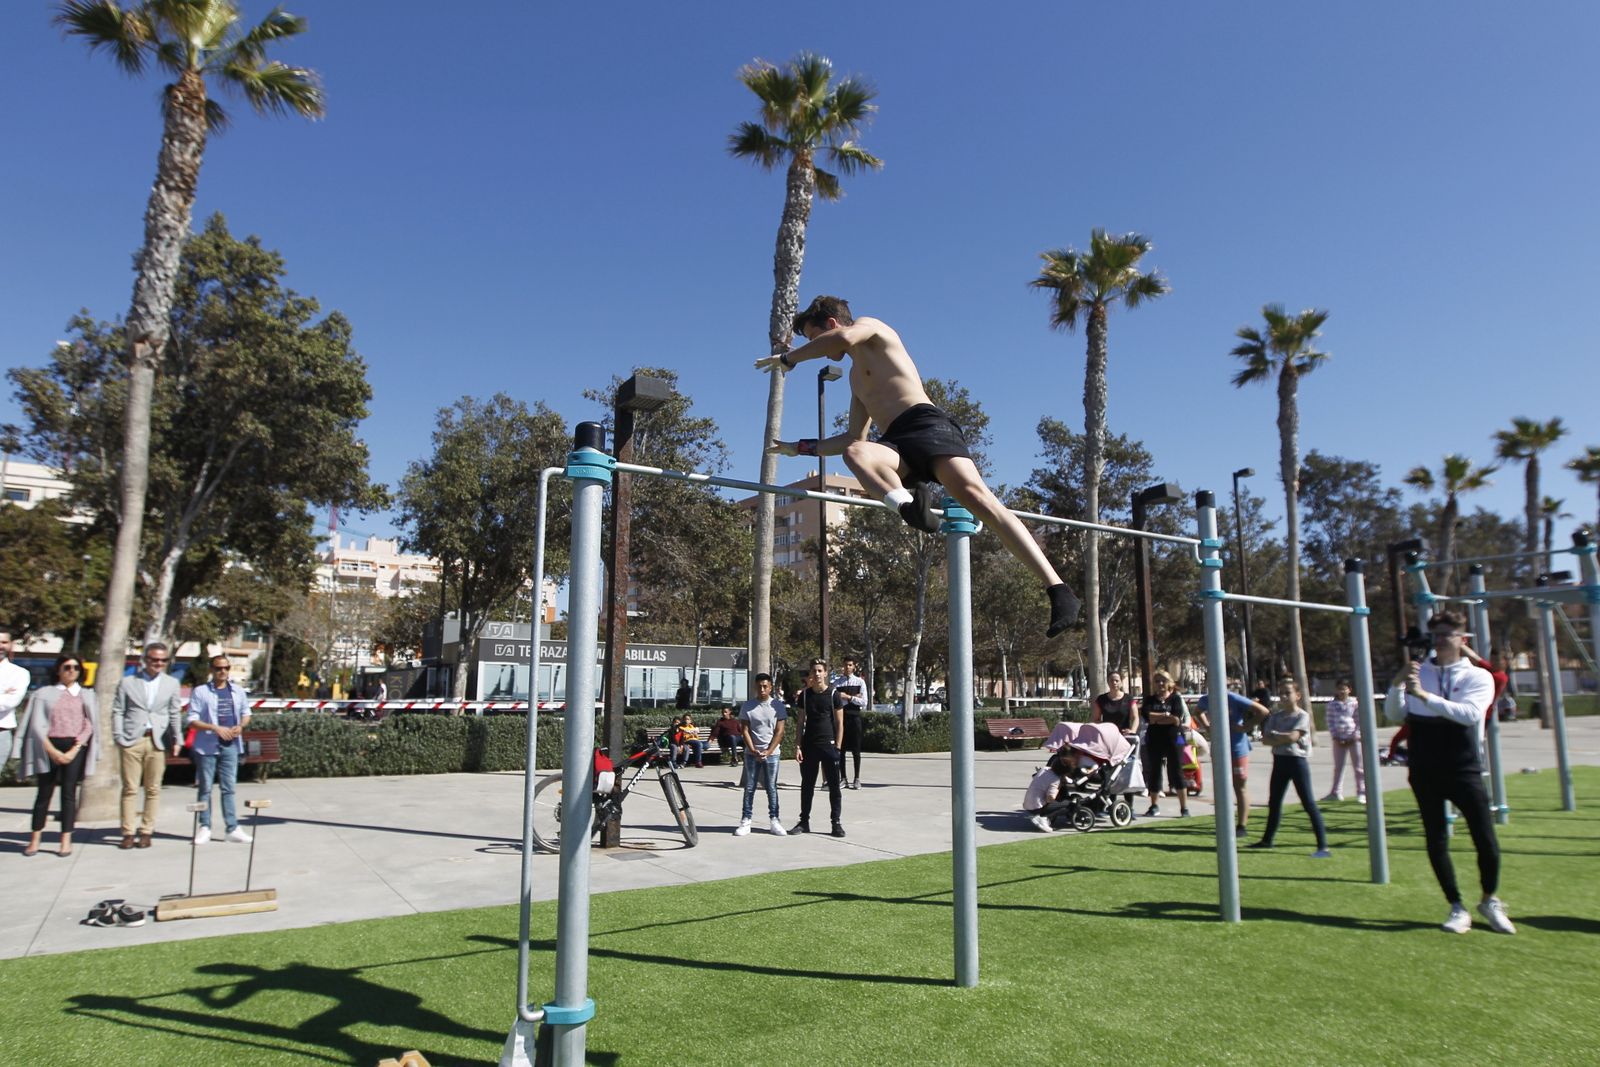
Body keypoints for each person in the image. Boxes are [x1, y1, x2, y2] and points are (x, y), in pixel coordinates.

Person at [760, 295, 1081, 638]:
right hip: (897, 444)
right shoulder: (855, 379)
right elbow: (853, 435)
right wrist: (800, 448)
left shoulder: (871, 328)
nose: (818, 348)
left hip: (928, 426)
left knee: (979, 499)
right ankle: (908, 505)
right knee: (856, 452)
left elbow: (842, 340)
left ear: (831, 323)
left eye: (814, 338)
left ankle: (1058, 589)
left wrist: (788, 358)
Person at [1385, 611, 1514, 934]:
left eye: (1447, 634)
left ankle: (1489, 899)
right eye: (1436, 634)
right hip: (1425, 766)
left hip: (1464, 766)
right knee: (1435, 838)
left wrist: (1426, 696)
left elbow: (1470, 715)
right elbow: (1396, 714)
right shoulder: (1419, 672)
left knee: (1486, 840)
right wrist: (1398, 685)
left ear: (1462, 639)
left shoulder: (1477, 676)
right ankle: (1456, 905)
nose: (1440, 640)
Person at [20, 654, 97, 857]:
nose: (71, 671)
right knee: (43, 794)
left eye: (75, 667)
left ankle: (66, 840)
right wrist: (51, 750)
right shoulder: (44, 693)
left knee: (69, 794)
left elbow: (89, 724)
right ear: (58, 670)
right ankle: (35, 839)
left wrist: (74, 749)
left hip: (75, 746)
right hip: (49, 745)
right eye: (67, 667)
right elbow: (37, 724)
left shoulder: (86, 695)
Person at [1247, 677, 1331, 857]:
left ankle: (1322, 846)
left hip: (1297, 762)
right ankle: (1267, 840)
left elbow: (1293, 737)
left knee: (1308, 803)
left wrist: (1277, 736)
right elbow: (1265, 740)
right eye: (1281, 693)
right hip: (1279, 761)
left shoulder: (1302, 716)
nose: (1284, 697)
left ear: (1298, 695)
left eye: (1288, 693)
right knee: (1274, 802)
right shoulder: (1275, 716)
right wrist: (1280, 737)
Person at [112, 642, 183, 849]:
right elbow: (118, 710)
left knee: (153, 789)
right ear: (145, 660)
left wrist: (177, 739)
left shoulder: (171, 683)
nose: (158, 663)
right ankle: (127, 832)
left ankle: (146, 831)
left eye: (163, 660)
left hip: (157, 740)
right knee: (130, 788)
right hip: (132, 739)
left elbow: (174, 713)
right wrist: (119, 736)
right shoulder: (127, 682)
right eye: (154, 659)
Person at [186, 656, 254, 844]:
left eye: (226, 668)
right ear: (211, 670)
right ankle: (204, 826)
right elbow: (192, 720)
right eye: (218, 668)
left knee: (229, 788)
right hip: (207, 746)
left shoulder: (238, 691)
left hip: (231, 745)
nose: (222, 671)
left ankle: (232, 827)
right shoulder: (201, 692)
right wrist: (214, 728)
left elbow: (246, 713)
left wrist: (241, 726)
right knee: (205, 788)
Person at [1193, 681, 1270, 835]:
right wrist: (1207, 726)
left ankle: (1241, 825)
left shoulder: (1233, 698)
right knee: (1221, 787)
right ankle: (1223, 822)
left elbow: (1262, 711)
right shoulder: (1206, 699)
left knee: (1239, 785)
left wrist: (1246, 727)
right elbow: (1198, 711)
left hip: (1237, 749)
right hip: (1219, 748)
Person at [792, 659, 846, 838]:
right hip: (809, 746)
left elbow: (839, 723)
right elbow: (800, 722)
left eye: (820, 670)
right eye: (814, 670)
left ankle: (836, 823)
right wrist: (798, 745)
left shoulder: (834, 695)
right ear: (810, 674)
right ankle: (804, 821)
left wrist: (837, 747)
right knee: (807, 785)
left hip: (829, 746)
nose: (817, 674)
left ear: (825, 673)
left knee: (834, 787)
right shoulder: (805, 696)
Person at [734, 673, 787, 836]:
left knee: (771, 787)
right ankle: (746, 820)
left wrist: (768, 751)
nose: (762, 689)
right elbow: (744, 730)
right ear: (755, 687)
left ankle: (775, 820)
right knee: (749, 787)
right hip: (752, 754)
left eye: (765, 686)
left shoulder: (778, 706)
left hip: (772, 754)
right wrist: (753, 749)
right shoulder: (747, 706)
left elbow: (780, 731)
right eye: (759, 686)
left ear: (770, 687)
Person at [1141, 670, 1189, 817]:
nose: (1160, 684)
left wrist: (1159, 718)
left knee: (1176, 772)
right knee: (1154, 771)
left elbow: (1177, 719)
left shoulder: (1175, 699)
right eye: (1157, 681)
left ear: (1169, 683)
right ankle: (1154, 805)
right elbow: (1148, 717)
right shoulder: (1149, 700)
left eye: (1163, 681)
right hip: (1155, 739)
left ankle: (1184, 808)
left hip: (1175, 739)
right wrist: (1165, 716)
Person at [1322, 679, 1365, 803]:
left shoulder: (1355, 703)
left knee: (1358, 767)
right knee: (1338, 767)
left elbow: (1358, 721)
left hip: (1353, 739)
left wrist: (1355, 736)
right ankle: (1336, 792)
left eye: (1344, 688)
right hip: (1339, 739)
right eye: (1339, 688)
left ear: (1349, 690)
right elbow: (1330, 721)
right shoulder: (1331, 705)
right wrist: (1335, 736)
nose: (1341, 691)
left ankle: (1362, 792)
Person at [832, 656, 868, 788]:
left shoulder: (860, 682)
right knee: (840, 749)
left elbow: (864, 702)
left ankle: (857, 778)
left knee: (856, 750)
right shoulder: (837, 683)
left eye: (850, 665)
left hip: (855, 718)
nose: (847, 667)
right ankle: (843, 778)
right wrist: (853, 698)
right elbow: (835, 699)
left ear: (854, 666)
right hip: (841, 718)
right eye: (846, 665)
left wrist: (848, 697)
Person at [0, 628, 30, 773]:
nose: (1, 646)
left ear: (10, 644)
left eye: (4, 642)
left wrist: (5, 697)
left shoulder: (19, 673)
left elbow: (10, 702)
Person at [1091, 671, 1139, 736]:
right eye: (1111, 680)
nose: (1114, 683)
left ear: (1121, 682)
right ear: (1108, 682)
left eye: (1117, 680)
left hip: (1124, 736)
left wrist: (1132, 731)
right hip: (1107, 735)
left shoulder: (1129, 699)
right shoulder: (1101, 699)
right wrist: (1105, 728)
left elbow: (1135, 718)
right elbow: (1096, 719)